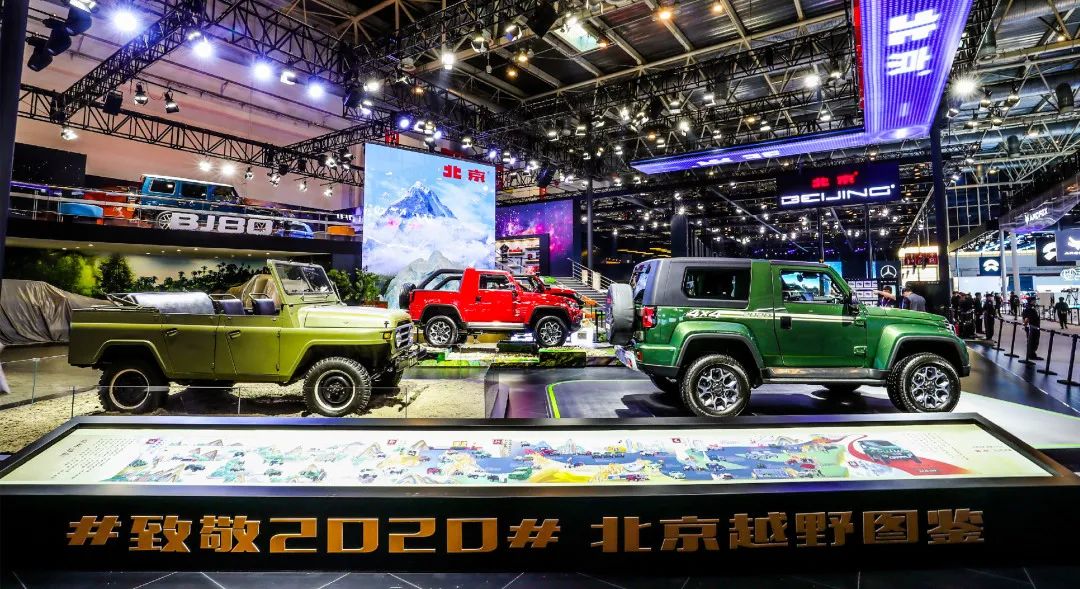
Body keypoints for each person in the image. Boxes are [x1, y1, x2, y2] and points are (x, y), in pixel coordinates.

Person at [1022, 297, 1042, 361]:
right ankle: (1031, 355)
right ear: (1031, 301)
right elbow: (1026, 318)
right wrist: (1025, 325)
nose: (1035, 301)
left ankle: (1032, 354)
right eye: (1034, 300)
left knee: (1034, 340)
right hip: (1032, 327)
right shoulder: (1029, 308)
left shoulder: (1032, 307)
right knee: (1032, 341)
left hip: (1034, 326)